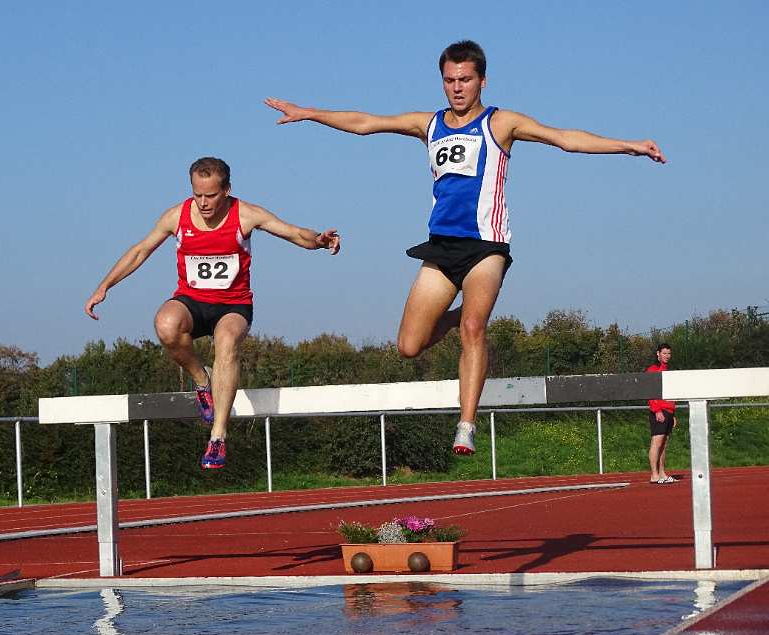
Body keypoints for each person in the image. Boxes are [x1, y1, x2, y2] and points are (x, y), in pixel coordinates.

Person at [265, 39, 666, 455]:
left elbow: (565, 138)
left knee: (475, 327)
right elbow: (366, 122)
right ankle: (461, 315)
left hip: (486, 247)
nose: (457, 88)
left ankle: (467, 424)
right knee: (409, 346)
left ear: (482, 81)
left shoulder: (501, 123)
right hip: (442, 247)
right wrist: (309, 113)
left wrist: (630, 146)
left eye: (465, 80)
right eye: (449, 80)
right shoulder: (429, 124)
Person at [84, 157, 340, 469]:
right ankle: (201, 379)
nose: (203, 203)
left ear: (227, 190)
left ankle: (218, 436)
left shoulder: (246, 214)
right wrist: (104, 286)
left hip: (233, 305)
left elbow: (294, 233)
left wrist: (319, 240)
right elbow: (140, 251)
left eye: (211, 195)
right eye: (197, 195)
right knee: (165, 324)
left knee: (226, 340)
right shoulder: (177, 216)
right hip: (192, 301)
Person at [647, 343, 677, 484]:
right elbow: (650, 393)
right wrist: (657, 410)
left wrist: (673, 413)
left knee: (664, 444)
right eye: (664, 353)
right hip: (659, 412)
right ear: (658, 354)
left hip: (669, 412)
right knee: (657, 443)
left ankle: (662, 473)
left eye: (669, 353)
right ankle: (654, 475)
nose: (667, 356)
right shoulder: (653, 370)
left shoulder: (667, 371)